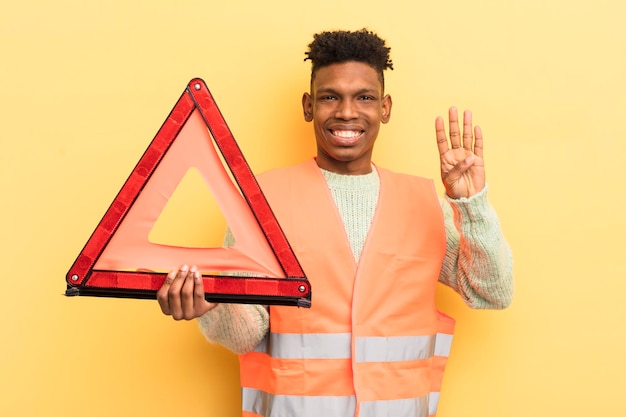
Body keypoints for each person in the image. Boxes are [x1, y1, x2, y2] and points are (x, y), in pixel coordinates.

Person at [157, 28, 513, 417]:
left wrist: (470, 203)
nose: (347, 112)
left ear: (386, 108)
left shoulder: (424, 202)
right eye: (330, 97)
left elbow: (491, 291)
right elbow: (247, 332)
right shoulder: (264, 200)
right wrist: (212, 307)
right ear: (309, 106)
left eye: (364, 97)